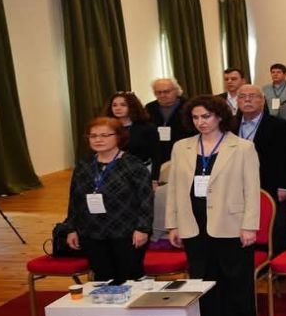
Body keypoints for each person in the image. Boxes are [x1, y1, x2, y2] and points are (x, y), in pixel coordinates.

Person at [165, 96, 260, 316]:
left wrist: (249, 226)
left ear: (219, 116)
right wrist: (172, 224)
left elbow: (252, 190)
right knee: (203, 276)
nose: (201, 122)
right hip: (193, 222)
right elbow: (173, 188)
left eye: (206, 116)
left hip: (231, 222)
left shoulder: (242, 147)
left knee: (234, 276)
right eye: (196, 117)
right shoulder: (181, 147)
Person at [61, 117, 152, 281]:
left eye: (104, 135)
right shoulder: (84, 165)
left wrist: (143, 229)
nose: (98, 140)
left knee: (129, 280)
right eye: (93, 136)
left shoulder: (133, 164)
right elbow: (75, 200)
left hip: (126, 232)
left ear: (118, 136)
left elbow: (146, 199)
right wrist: (71, 229)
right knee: (102, 280)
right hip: (91, 232)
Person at [235, 85, 286, 254]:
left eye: (252, 96)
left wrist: (284, 185)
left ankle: (276, 258)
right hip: (236, 184)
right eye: (242, 96)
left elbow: (285, 157)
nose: (247, 99)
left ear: (262, 100)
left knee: (274, 225)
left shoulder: (279, 125)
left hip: (269, 182)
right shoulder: (229, 125)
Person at [104, 91, 160, 182]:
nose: (118, 108)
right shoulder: (106, 128)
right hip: (112, 172)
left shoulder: (147, 127)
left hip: (140, 171)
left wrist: (154, 179)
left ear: (132, 107)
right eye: (114, 105)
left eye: (123, 105)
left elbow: (156, 155)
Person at [146, 78, 193, 166]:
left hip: (184, 151)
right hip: (158, 153)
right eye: (158, 92)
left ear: (176, 91)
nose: (162, 95)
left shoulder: (189, 106)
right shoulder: (150, 108)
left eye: (166, 92)